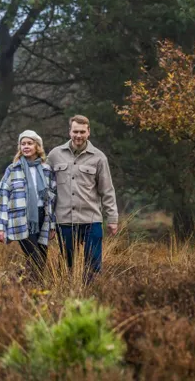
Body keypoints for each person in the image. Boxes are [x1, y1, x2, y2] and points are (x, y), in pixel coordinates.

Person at [47, 114, 118, 282]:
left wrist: (112, 218)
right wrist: (47, 221)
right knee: (66, 264)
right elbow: (47, 190)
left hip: (91, 219)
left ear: (88, 132)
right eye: (75, 131)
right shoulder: (55, 155)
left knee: (93, 265)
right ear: (69, 132)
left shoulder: (99, 157)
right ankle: (66, 295)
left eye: (82, 132)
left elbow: (107, 190)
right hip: (64, 220)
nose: (78, 135)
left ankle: (92, 295)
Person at [0, 130, 57, 279]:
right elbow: (2, 197)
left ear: (37, 146)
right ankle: (38, 286)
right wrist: (0, 227)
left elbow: (52, 199)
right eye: (23, 144)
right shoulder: (13, 169)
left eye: (29, 143)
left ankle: (31, 286)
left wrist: (52, 225)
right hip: (22, 219)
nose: (26, 146)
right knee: (34, 255)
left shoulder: (46, 170)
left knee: (41, 256)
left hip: (43, 218)